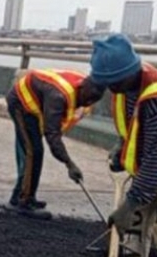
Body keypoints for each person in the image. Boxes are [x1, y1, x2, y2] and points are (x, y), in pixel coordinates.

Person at [90, 34, 157, 257]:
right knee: (134, 231)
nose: (108, 89)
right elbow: (136, 131)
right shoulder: (126, 90)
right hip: (152, 174)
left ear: (126, 74)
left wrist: (132, 200)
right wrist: (121, 149)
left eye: (112, 82)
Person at [6, 68, 104, 220]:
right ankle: (22, 202)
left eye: (94, 100)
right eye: (88, 98)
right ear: (81, 88)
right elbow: (52, 135)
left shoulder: (85, 91)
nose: (88, 103)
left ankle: (25, 196)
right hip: (21, 103)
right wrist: (69, 163)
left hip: (37, 103)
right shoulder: (58, 96)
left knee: (35, 150)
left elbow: (59, 125)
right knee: (34, 151)